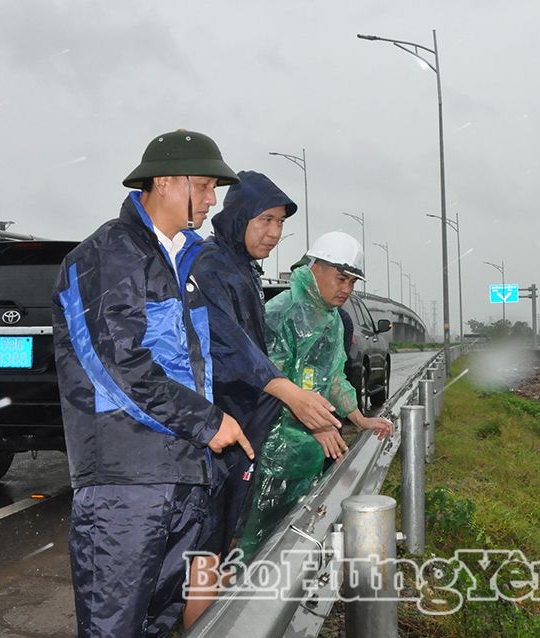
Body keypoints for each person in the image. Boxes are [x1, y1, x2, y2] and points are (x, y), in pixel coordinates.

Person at [52, 129, 254, 638]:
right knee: (114, 625)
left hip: (181, 474)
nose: (212, 200)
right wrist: (208, 422)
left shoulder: (181, 262)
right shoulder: (109, 254)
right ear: (165, 182)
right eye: (205, 186)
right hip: (126, 483)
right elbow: (116, 365)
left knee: (160, 621)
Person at [182, 172, 345, 628]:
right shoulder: (212, 266)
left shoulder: (240, 268)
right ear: (238, 217)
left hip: (241, 424)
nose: (274, 233)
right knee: (209, 545)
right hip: (217, 425)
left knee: (223, 537)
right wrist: (288, 392)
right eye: (266, 220)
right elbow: (227, 343)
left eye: (280, 224)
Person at [235, 231, 393, 556]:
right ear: (316, 267)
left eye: (353, 282)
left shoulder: (332, 319)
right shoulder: (282, 313)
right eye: (341, 279)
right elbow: (271, 384)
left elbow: (332, 377)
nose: (347, 289)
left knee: (292, 531)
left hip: (303, 449)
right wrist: (315, 424)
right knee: (255, 538)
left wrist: (360, 418)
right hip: (269, 447)